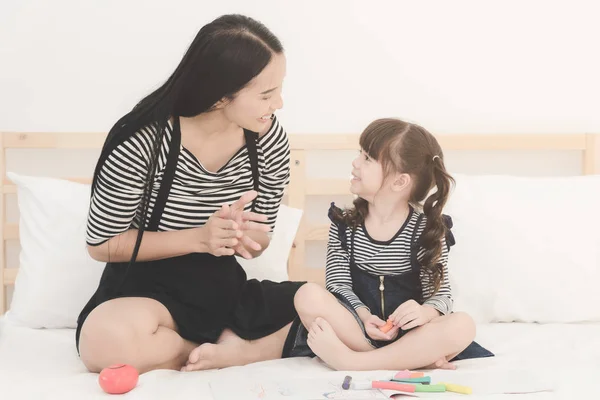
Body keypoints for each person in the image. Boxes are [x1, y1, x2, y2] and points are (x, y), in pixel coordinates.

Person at [76, 14, 306, 374]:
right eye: (266, 94)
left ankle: (221, 347)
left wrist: (241, 234)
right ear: (219, 97)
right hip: (142, 285)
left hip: (218, 287)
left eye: (279, 89)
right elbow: (102, 243)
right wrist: (199, 238)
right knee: (102, 342)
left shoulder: (269, 140)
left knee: (321, 309)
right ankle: (217, 350)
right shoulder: (142, 141)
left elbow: (261, 240)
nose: (278, 104)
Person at [292, 118, 492, 371]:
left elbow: (440, 295)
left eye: (367, 158)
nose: (355, 163)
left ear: (399, 182)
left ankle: (353, 361)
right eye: (359, 154)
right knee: (307, 294)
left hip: (412, 335)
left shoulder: (427, 230)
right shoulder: (345, 225)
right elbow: (337, 284)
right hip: (358, 330)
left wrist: (424, 313)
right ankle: (399, 359)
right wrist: (365, 317)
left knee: (463, 324)